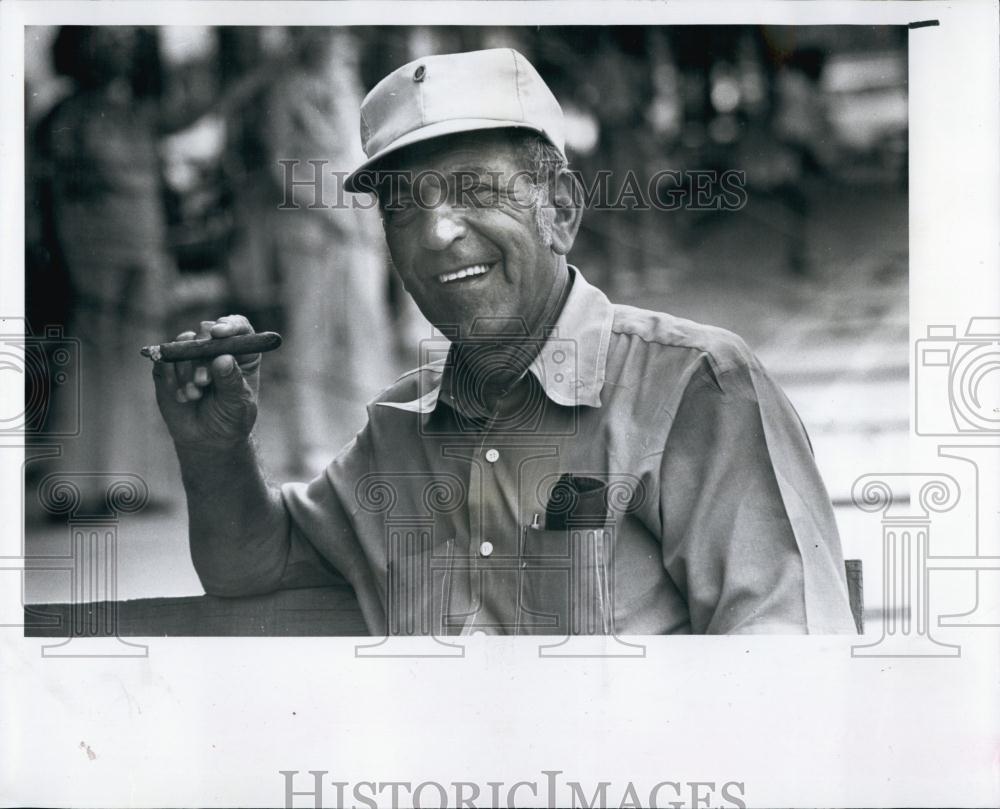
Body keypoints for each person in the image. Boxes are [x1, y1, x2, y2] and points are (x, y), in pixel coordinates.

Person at [152, 48, 857, 635]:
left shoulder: (695, 389)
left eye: (475, 190)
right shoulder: (400, 432)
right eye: (403, 206)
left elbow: (787, 666)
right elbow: (253, 565)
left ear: (560, 209)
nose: (436, 234)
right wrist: (214, 448)